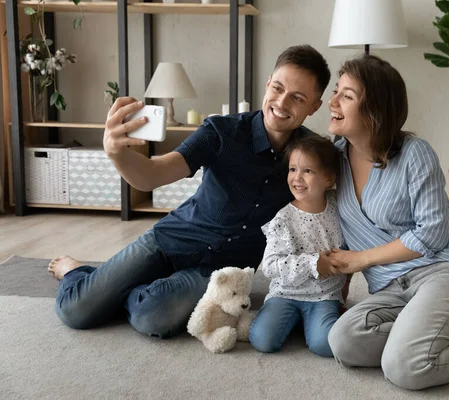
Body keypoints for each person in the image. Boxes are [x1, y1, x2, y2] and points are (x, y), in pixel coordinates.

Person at [46, 45, 331, 339]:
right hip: (170, 239)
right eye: (277, 88)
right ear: (268, 82)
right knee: (75, 310)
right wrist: (116, 153)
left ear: (314, 106)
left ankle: (118, 288)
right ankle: (77, 272)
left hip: (218, 272)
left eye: (297, 98)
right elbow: (151, 176)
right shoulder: (221, 131)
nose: (281, 102)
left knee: (153, 317)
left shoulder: (313, 158)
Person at [325, 54, 449, 390]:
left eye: (347, 95)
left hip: (444, 272)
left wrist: (363, 259)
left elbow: (434, 233)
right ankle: (447, 336)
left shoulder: (415, 153)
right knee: (343, 341)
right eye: (336, 91)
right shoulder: (333, 157)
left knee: (404, 368)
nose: (333, 102)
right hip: (389, 289)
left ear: (376, 110)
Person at [249, 135, 346, 357]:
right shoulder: (283, 219)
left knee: (325, 345)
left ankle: (310, 324)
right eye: (293, 169)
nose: (297, 178)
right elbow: (270, 266)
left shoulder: (339, 209)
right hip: (285, 292)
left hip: (325, 295)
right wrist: (314, 264)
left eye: (308, 171)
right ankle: (296, 321)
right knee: (263, 340)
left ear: (329, 178)